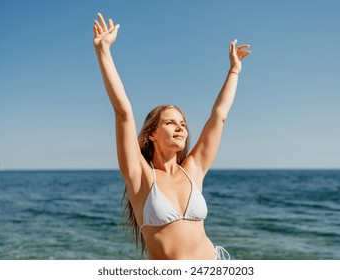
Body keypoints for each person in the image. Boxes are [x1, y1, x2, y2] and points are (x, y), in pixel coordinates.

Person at [93, 12, 251, 260]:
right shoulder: (140, 176)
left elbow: (218, 116)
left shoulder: (193, 170)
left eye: (183, 124)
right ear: (151, 135)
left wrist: (234, 71)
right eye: (170, 123)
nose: (181, 128)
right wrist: (103, 51)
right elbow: (123, 112)